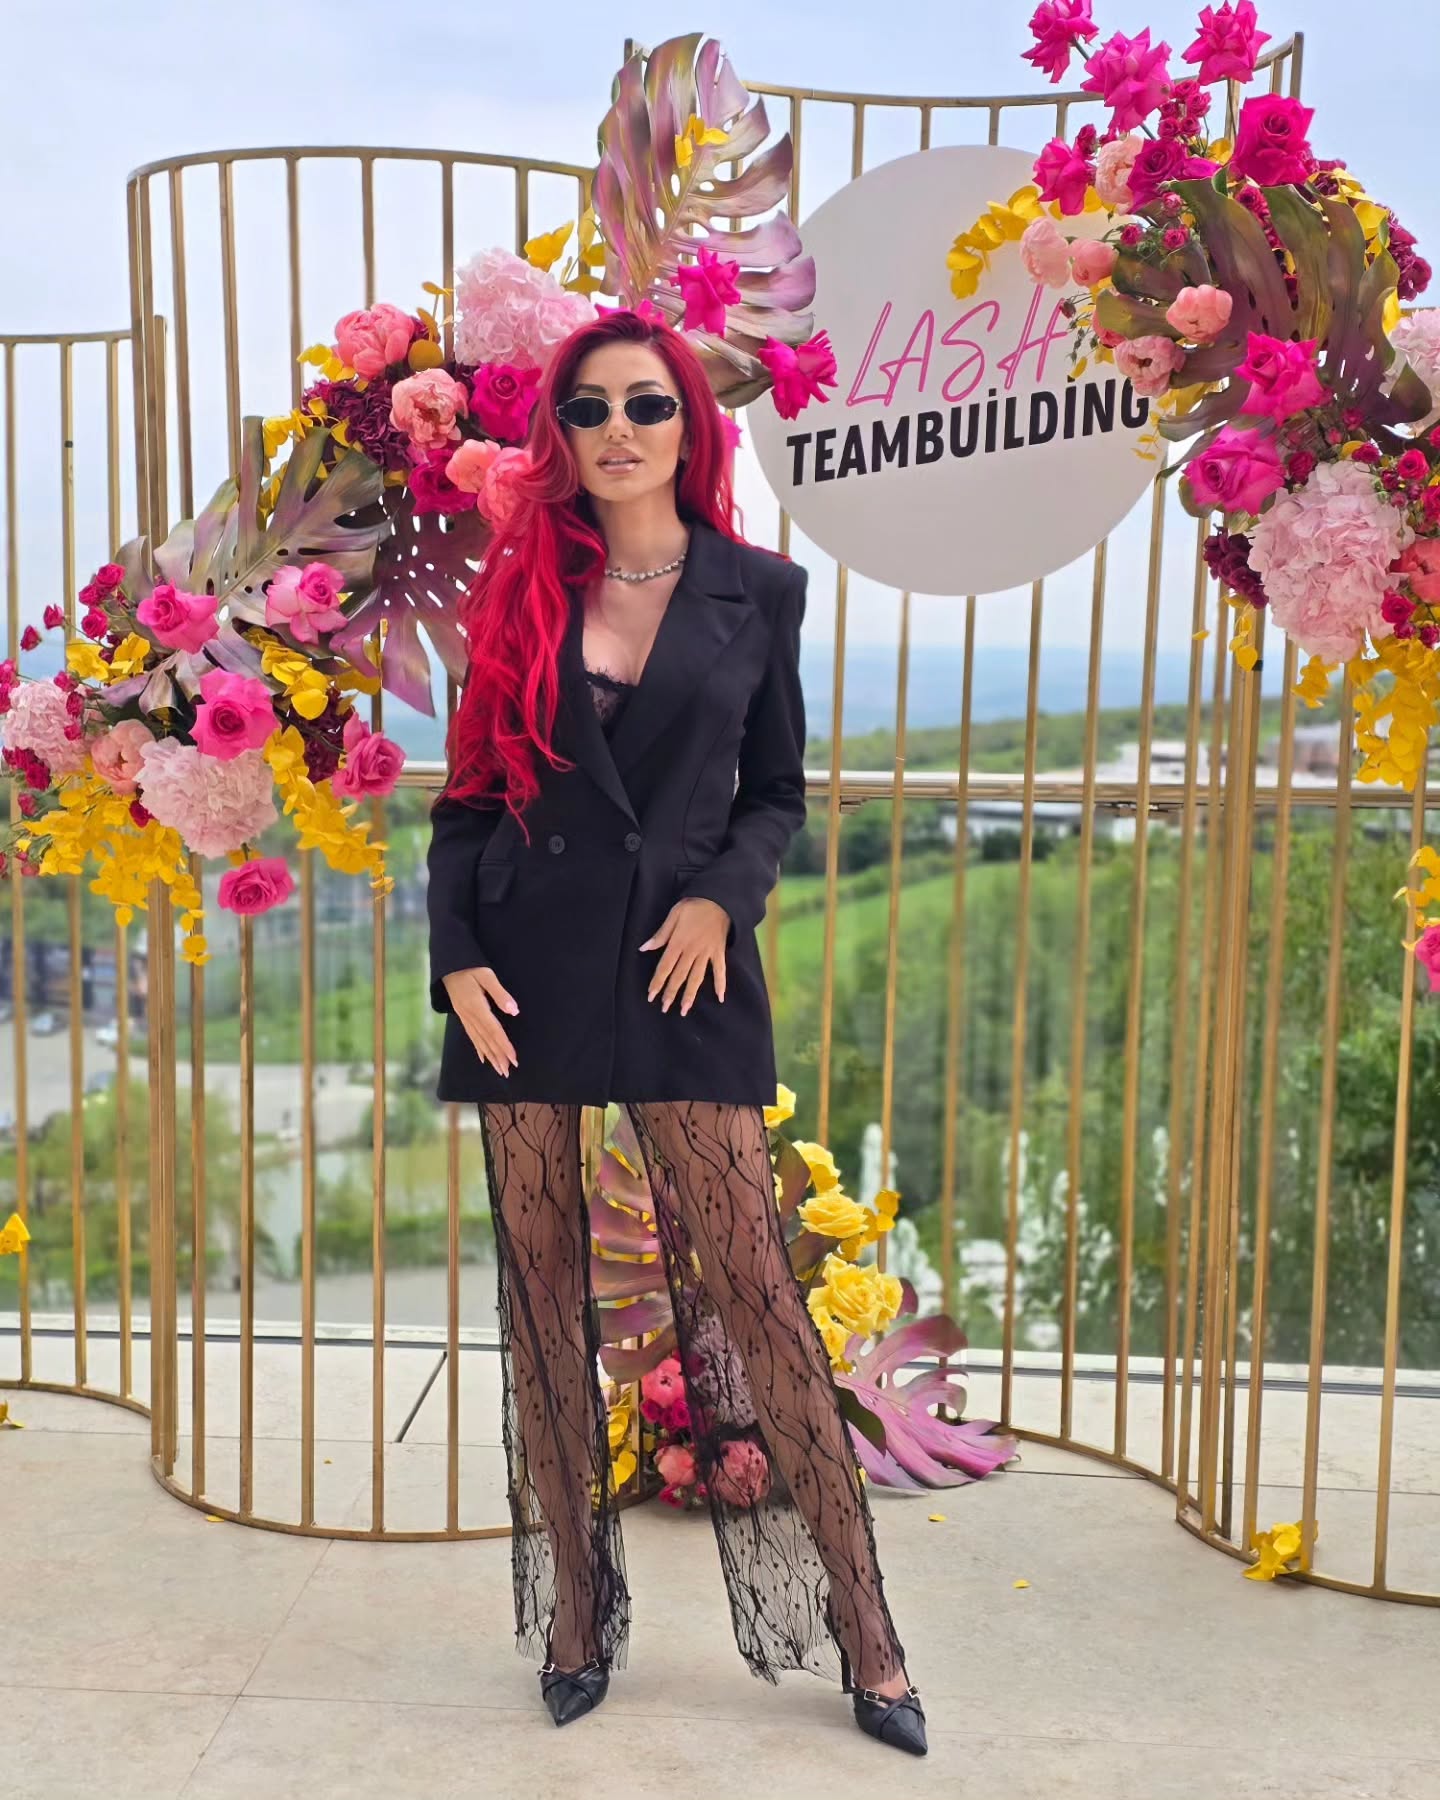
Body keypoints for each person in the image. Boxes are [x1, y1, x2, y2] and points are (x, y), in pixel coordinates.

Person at [426, 310, 925, 1756]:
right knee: (545, 1305)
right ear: (559, 435)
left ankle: (868, 1637)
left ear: (690, 425)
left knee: (759, 1293)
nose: (618, 429)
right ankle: (577, 1619)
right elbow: (467, 800)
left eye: (647, 403)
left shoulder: (760, 591)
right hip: (525, 973)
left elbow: (774, 793)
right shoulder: (521, 581)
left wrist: (719, 899)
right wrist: (457, 958)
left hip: (684, 972)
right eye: (588, 409)